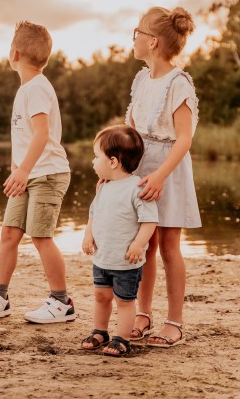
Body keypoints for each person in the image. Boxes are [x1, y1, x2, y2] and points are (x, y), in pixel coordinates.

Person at [0, 21, 75, 324]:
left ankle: (61, 301)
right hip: (28, 174)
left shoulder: (38, 89)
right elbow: (26, 136)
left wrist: (25, 170)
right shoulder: (27, 89)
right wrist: (17, 167)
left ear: (14, 53)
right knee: (9, 233)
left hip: (47, 174)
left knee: (41, 236)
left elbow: (42, 134)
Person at [125, 6, 201, 347]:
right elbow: (130, 128)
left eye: (137, 32)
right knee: (145, 245)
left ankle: (175, 322)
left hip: (168, 169)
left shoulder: (178, 82)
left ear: (153, 42)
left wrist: (159, 176)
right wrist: (118, 169)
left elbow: (184, 137)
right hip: (139, 164)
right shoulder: (142, 79)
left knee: (169, 245)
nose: (133, 37)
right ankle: (142, 314)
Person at [81, 125, 158, 357]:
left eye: (97, 157)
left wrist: (138, 244)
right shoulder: (104, 187)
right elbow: (94, 214)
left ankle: (122, 339)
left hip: (125, 262)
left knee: (124, 301)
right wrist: (88, 235)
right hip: (103, 257)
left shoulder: (137, 188)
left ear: (113, 161)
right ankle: (100, 331)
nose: (93, 162)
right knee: (101, 296)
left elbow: (149, 221)